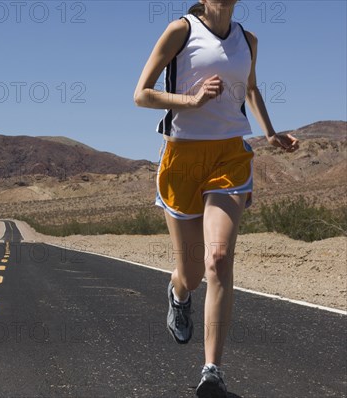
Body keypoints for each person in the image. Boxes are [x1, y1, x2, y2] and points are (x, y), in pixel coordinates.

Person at [133, 1, 299, 397]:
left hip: (230, 155)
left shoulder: (248, 39)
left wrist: (270, 133)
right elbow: (141, 95)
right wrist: (191, 101)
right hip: (182, 156)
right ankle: (178, 294)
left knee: (219, 259)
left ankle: (212, 372)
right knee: (191, 274)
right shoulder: (181, 31)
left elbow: (251, 88)